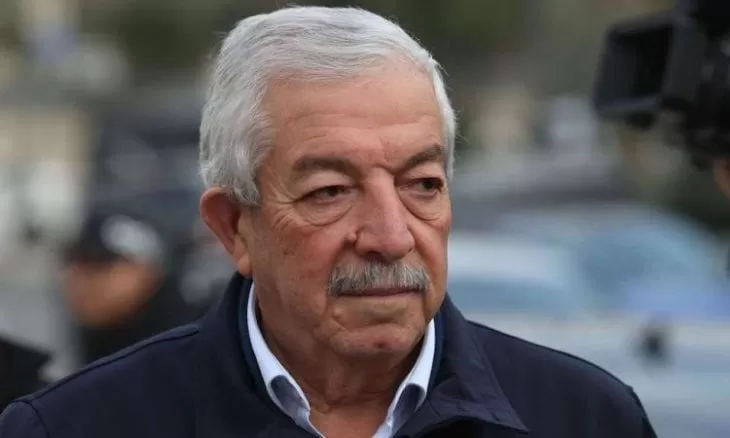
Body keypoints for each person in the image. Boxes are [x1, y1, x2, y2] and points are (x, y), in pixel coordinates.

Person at [0, 6, 657, 437]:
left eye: (422, 185)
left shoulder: (586, 419)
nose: (392, 236)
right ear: (233, 227)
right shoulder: (74, 427)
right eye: (330, 191)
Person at [59, 207, 206, 365]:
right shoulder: (98, 336)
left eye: (97, 263)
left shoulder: (192, 343)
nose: (78, 278)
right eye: (73, 262)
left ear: (147, 269)